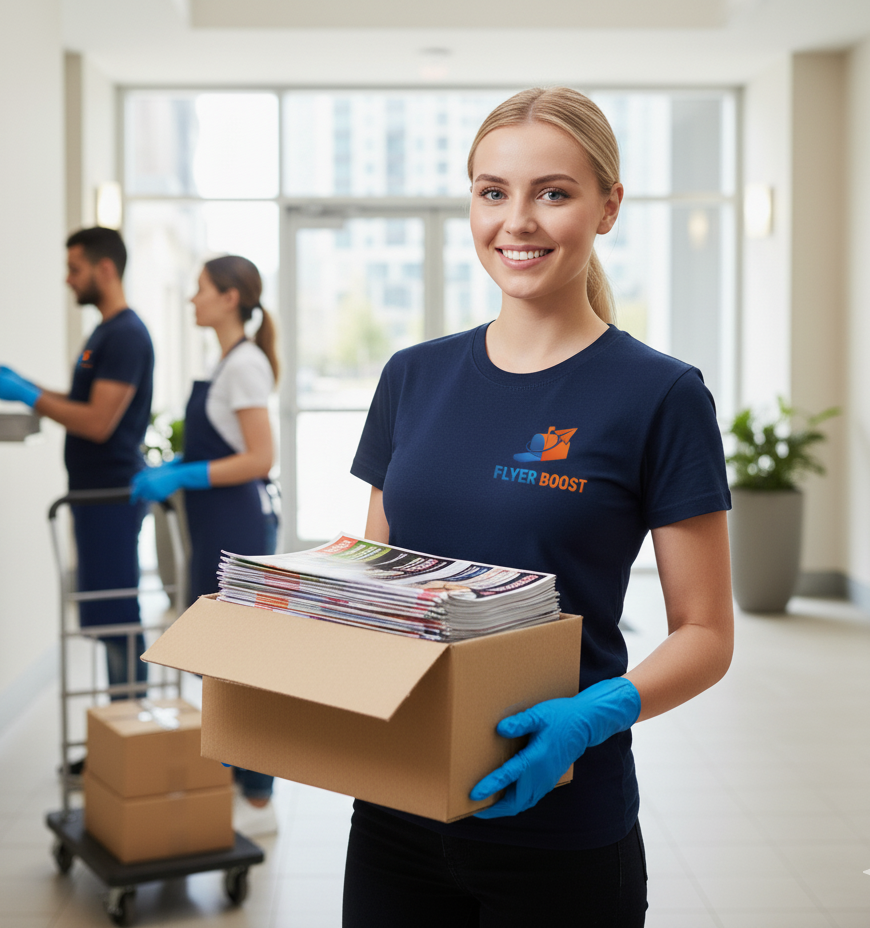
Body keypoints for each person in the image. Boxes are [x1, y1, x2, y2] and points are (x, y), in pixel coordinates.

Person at [345, 87, 734, 926]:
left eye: (552, 193)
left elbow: (706, 633)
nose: (516, 221)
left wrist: (599, 712)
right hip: (395, 810)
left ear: (608, 207)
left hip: (562, 821)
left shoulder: (659, 395)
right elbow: (379, 582)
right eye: (493, 192)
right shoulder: (411, 378)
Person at [129, 254, 280, 837]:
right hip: (217, 527)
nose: (193, 300)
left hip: (238, 529)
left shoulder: (244, 365)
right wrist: (175, 468)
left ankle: (259, 797)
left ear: (230, 298)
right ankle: (238, 773)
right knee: (220, 663)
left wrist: (184, 475)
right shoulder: (227, 363)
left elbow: (259, 459)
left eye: (200, 291)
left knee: (238, 666)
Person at [0, 227, 155, 712]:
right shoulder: (104, 332)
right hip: (91, 496)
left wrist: (29, 397)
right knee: (105, 618)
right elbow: (81, 402)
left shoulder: (125, 335)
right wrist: (24, 385)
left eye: (74, 269)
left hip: (111, 496)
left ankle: (130, 731)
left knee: (118, 618)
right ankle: (116, 734)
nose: (67, 279)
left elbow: (99, 423)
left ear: (105, 269)